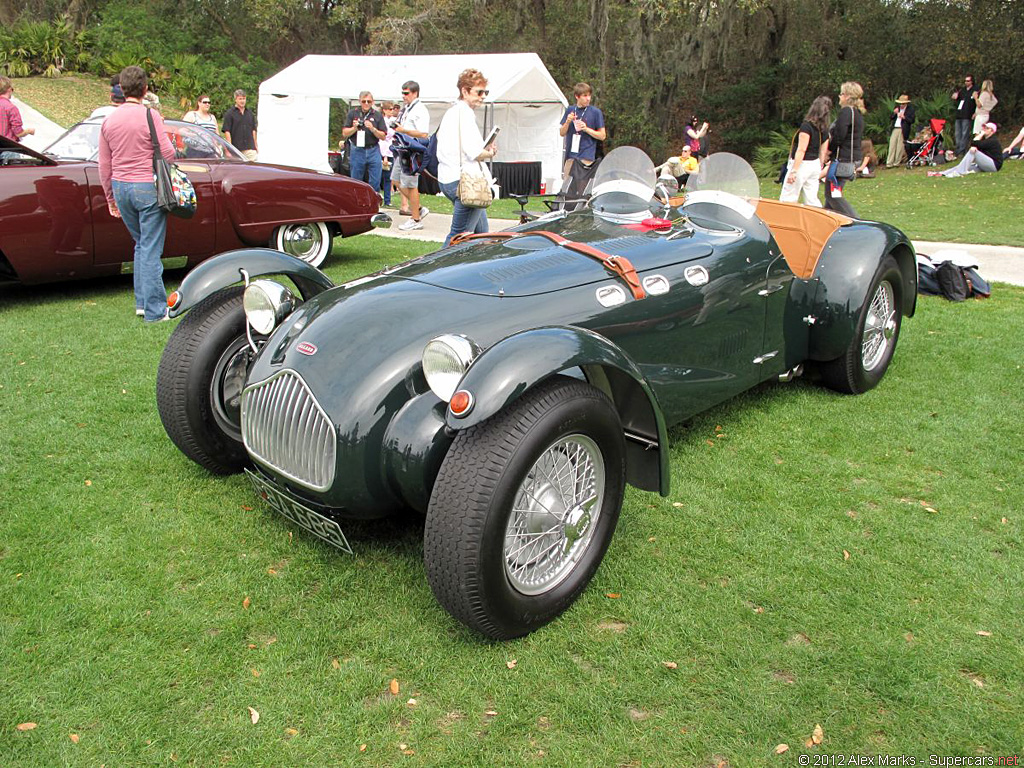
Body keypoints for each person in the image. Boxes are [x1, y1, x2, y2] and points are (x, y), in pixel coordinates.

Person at [98, 65, 176, 322]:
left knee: (141, 245)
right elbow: (168, 154)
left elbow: (104, 164)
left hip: (121, 187)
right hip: (146, 186)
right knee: (151, 249)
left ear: (121, 87)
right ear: (144, 89)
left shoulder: (109, 120)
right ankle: (155, 310)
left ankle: (142, 302)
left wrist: (110, 197)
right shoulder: (150, 115)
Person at [437, 68, 498, 248]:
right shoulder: (465, 114)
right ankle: (436, 271)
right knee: (459, 238)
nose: (483, 96)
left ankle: (478, 271)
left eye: (485, 92)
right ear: (465, 91)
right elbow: (475, 153)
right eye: (479, 92)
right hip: (465, 182)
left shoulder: (452, 112)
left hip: (451, 178)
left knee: (482, 235)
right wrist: (490, 152)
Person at [823, 81, 865, 218]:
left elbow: (840, 135)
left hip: (843, 159)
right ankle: (825, 223)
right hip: (852, 158)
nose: (839, 97)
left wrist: (829, 151)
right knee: (831, 198)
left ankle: (856, 222)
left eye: (841, 94)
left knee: (832, 195)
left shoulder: (847, 112)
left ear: (847, 96)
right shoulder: (857, 113)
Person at [780, 95, 831, 206]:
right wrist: (820, 166)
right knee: (811, 198)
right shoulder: (824, 129)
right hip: (815, 164)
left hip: (802, 164)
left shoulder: (806, 126)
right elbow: (823, 152)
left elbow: (801, 149)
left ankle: (786, 219)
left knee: (788, 196)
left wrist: (794, 171)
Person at [393, 80, 431, 229]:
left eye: (406, 93)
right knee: (395, 180)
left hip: (412, 151)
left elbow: (423, 133)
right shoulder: (407, 108)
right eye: (402, 93)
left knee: (410, 184)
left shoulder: (420, 109)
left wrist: (404, 130)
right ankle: (419, 208)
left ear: (415, 93)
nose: (403, 96)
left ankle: (415, 220)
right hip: (402, 149)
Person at [342, 91, 387, 201]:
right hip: (357, 150)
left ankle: (373, 203)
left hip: (373, 149)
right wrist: (354, 128)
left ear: (373, 102)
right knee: (356, 179)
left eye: (369, 101)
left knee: (375, 179)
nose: (366, 103)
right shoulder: (353, 113)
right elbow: (344, 133)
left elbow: (383, 136)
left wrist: (373, 128)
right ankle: (356, 203)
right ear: (359, 101)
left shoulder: (377, 115)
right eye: (364, 101)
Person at [559, 82, 605, 180]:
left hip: (586, 157)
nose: (588, 98)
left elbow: (602, 136)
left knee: (582, 188)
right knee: (567, 187)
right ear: (577, 96)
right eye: (585, 96)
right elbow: (562, 133)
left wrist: (586, 129)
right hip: (571, 157)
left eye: (589, 95)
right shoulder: (570, 110)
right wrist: (567, 122)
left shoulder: (596, 112)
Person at [929, 122, 1002, 177]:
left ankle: (960, 172)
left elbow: (975, 144)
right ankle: (942, 173)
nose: (984, 130)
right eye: (984, 128)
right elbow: (973, 143)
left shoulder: (993, 140)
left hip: (993, 166)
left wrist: (980, 135)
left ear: (992, 131)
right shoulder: (985, 139)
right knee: (966, 166)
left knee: (973, 152)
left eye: (987, 128)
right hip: (986, 164)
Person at [223, 89, 258, 160]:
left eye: (244, 99)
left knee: (252, 169)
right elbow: (227, 131)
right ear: (235, 99)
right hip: (236, 149)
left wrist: (255, 145)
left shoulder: (250, 113)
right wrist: (229, 148)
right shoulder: (230, 114)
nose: (242, 101)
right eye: (240, 99)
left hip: (250, 148)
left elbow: (253, 130)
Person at [0, 76, 35, 142]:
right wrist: (29, 131)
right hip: (6, 146)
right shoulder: (11, 108)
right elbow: (18, 133)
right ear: (9, 89)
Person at [951, 75, 978, 156]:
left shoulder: (975, 90)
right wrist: (955, 96)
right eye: (965, 81)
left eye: (968, 81)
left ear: (972, 81)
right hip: (959, 114)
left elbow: (978, 102)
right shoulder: (962, 90)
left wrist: (975, 112)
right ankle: (958, 148)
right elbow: (956, 98)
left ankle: (962, 150)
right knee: (957, 133)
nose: (966, 82)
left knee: (964, 133)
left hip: (967, 114)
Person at [886, 94, 915, 168]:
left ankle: (896, 163)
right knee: (892, 145)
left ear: (906, 103)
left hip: (903, 129)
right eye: (900, 103)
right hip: (895, 128)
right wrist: (894, 113)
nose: (901, 105)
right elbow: (891, 118)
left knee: (900, 146)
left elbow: (912, 120)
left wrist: (904, 117)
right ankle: (889, 163)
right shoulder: (897, 108)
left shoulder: (910, 109)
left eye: (903, 103)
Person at [378, 101, 398, 208]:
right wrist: (385, 155)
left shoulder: (393, 121)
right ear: (384, 110)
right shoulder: (382, 121)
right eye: (390, 109)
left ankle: (387, 200)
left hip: (391, 151)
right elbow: (383, 139)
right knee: (378, 176)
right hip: (382, 150)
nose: (392, 111)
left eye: (393, 109)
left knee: (388, 177)